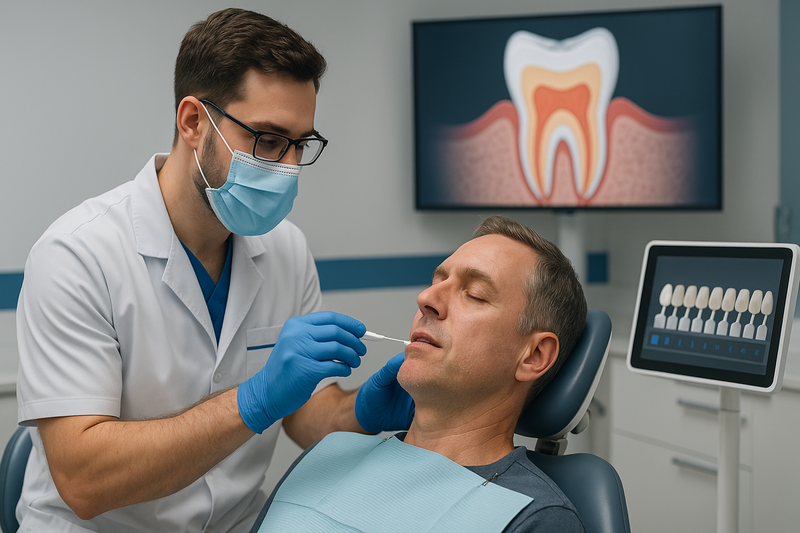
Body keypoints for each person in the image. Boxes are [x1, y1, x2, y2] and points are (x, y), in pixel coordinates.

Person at [15, 8, 411, 532]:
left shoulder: (286, 250)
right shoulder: (77, 256)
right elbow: (85, 480)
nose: (288, 166)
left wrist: (358, 413)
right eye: (267, 139)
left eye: (301, 144)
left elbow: (304, 415)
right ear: (194, 122)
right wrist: (254, 398)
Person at [250, 215, 589, 532]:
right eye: (437, 281)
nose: (426, 298)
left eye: (474, 294)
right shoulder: (328, 453)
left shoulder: (534, 516)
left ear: (534, 356)